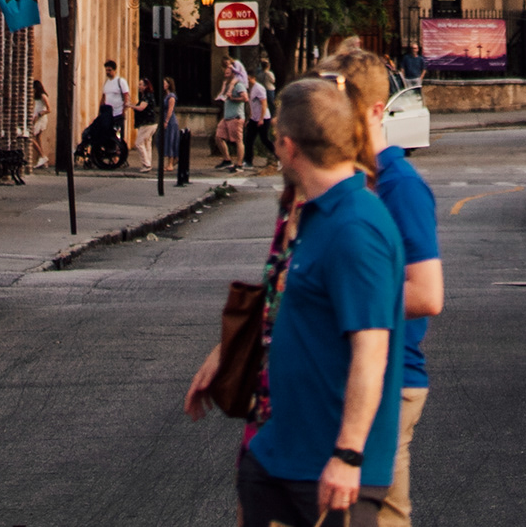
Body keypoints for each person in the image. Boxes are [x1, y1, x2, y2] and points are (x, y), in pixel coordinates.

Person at [186, 75, 404, 524]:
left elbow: (371, 351)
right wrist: (226, 351)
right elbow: (286, 306)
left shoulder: (355, 228)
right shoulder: (315, 215)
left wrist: (348, 454)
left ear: (288, 146)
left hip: (328, 470)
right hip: (277, 453)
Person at [334, 54, 440, 527]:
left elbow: (427, 295)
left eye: (342, 109)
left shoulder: (399, 186)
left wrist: (336, 304)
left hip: (394, 378)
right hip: (357, 372)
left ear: (377, 111)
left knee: (380, 517)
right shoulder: (355, 181)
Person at [216, 58, 250, 168]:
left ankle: (239, 164)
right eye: (225, 72)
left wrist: (233, 98)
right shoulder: (227, 85)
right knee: (218, 137)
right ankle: (227, 159)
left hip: (236, 117)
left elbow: (245, 98)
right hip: (227, 117)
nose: (225, 74)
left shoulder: (239, 85)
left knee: (238, 141)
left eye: (228, 73)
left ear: (233, 73)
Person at [246, 69, 277, 169]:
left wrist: (261, 119)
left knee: (264, 139)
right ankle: (248, 161)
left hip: (263, 118)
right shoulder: (249, 88)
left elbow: (264, 104)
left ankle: (278, 155)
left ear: (253, 78)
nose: (247, 81)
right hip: (254, 118)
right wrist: (250, 117)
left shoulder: (259, 88)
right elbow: (251, 105)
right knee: (249, 139)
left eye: (248, 79)